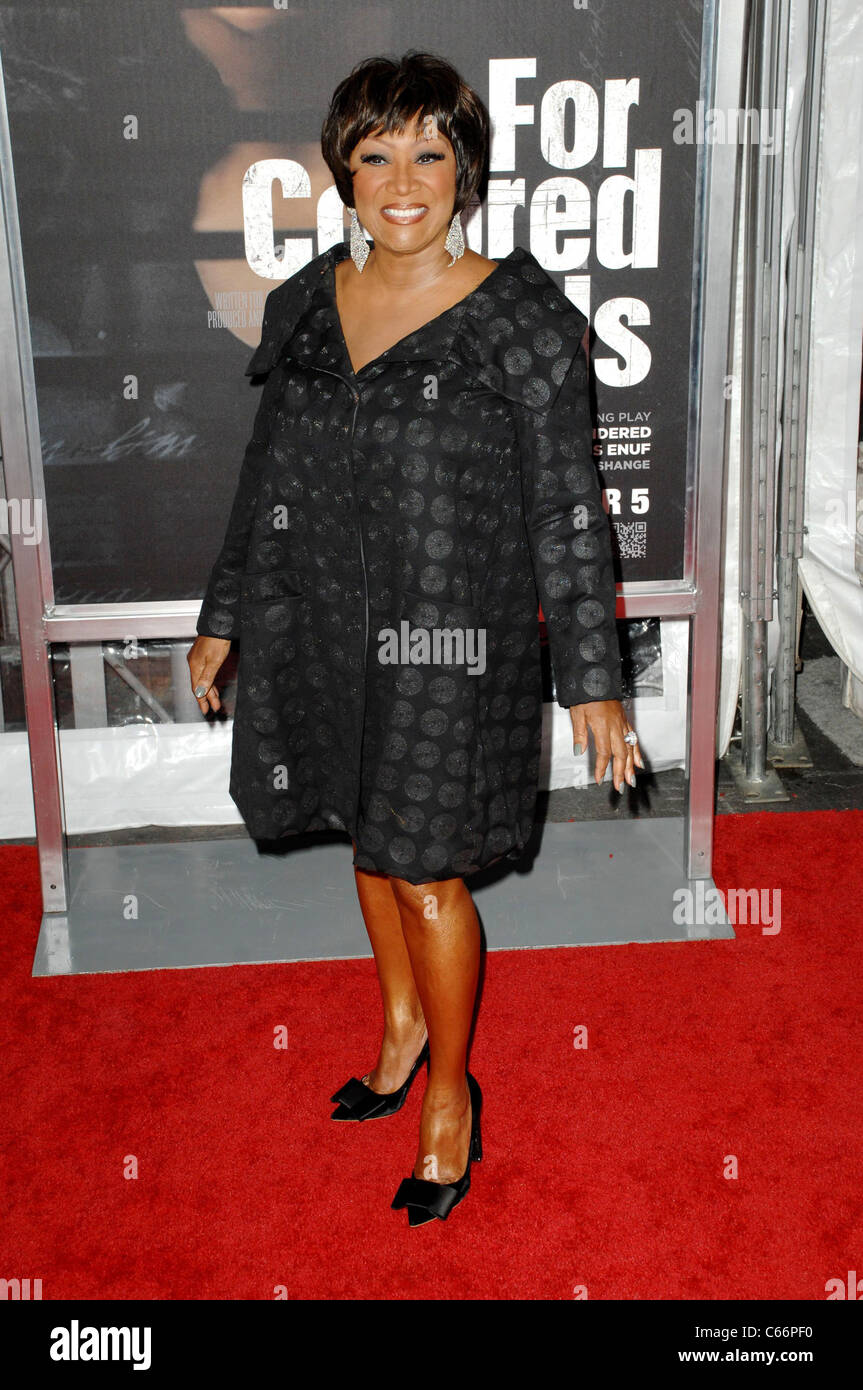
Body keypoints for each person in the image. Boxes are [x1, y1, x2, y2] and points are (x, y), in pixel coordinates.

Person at [187, 51, 644, 1227]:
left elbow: (564, 504)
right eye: (376, 153)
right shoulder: (306, 302)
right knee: (366, 836)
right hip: (326, 621)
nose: (402, 180)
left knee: (428, 868)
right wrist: (226, 613)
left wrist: (591, 679)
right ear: (342, 168)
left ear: (465, 171)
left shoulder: (517, 318)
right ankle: (396, 1030)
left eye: (428, 153)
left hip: (452, 640)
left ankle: (450, 1092)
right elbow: (263, 473)